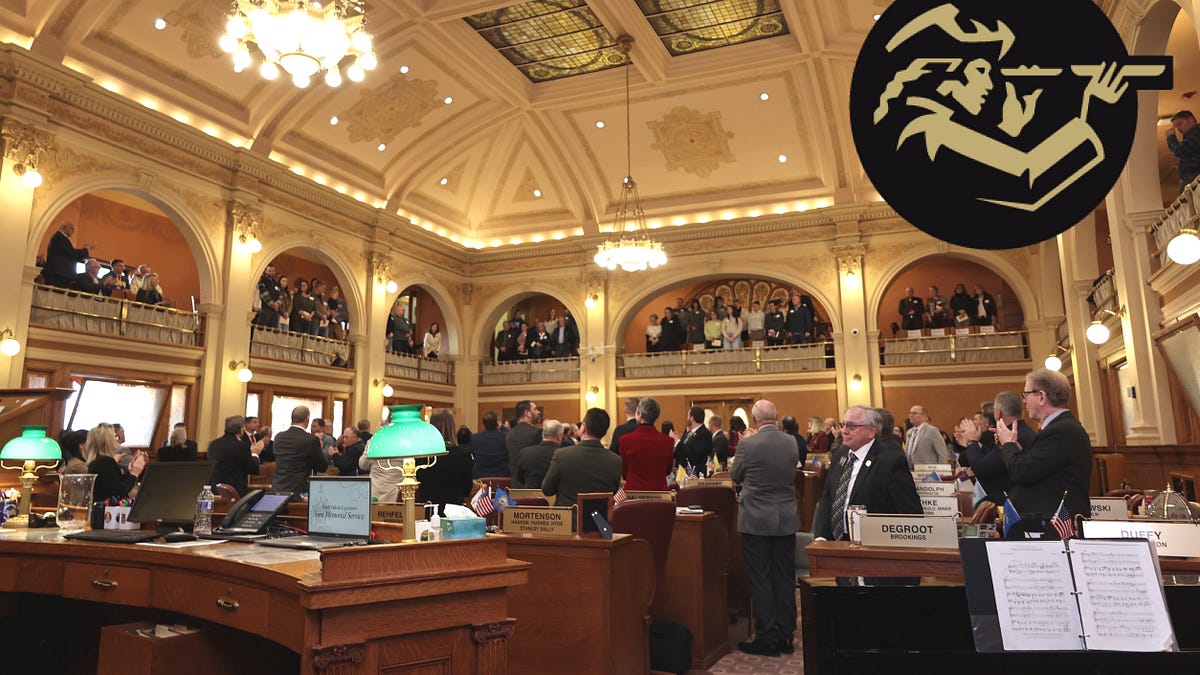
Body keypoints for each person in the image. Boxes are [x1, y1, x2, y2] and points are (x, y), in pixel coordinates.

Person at [731, 400, 799, 657]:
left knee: (761, 578)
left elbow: (736, 475)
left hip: (757, 521)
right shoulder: (791, 442)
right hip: (785, 519)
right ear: (777, 416)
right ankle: (785, 633)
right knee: (784, 577)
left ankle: (766, 635)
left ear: (754, 418)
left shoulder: (748, 444)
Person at [813, 405, 922, 541]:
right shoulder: (839, 455)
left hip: (873, 546)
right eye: (843, 425)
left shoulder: (891, 461)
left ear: (871, 431)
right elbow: (828, 498)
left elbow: (911, 515)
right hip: (834, 544)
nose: (844, 431)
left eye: (851, 426)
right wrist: (820, 537)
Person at [998, 369, 1093, 523]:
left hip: (1051, 527)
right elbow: (1040, 467)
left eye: (1026, 394)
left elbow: (1022, 472)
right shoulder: (1058, 428)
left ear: (1041, 397)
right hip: (1043, 522)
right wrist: (1015, 447)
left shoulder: (1061, 430)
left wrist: (1008, 444)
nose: (1024, 401)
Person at [542, 408, 622, 507]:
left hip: (568, 519)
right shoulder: (616, 461)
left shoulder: (561, 455)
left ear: (583, 427)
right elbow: (615, 492)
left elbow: (547, 490)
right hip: (599, 520)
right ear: (604, 433)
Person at [415, 409, 474, 516]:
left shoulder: (421, 454)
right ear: (452, 427)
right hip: (454, 512)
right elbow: (466, 489)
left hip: (427, 510)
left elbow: (418, 482)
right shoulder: (463, 454)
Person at [270, 406, 328, 500]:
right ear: (307, 419)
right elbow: (322, 467)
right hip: (297, 494)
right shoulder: (311, 440)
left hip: (276, 491)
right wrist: (321, 449)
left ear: (292, 418)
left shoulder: (278, 437)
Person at [619, 397, 675, 492]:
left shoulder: (625, 440)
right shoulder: (668, 441)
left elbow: (624, 472)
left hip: (633, 493)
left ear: (639, 414)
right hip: (660, 493)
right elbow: (668, 471)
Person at [207, 415, 262, 498]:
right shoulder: (241, 446)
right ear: (241, 430)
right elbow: (254, 469)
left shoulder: (213, 444)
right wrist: (255, 453)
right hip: (234, 492)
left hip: (215, 489)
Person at [87, 424, 139, 503]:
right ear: (108, 440)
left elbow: (115, 483)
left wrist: (130, 472)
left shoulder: (97, 461)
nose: (117, 441)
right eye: (115, 437)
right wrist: (135, 474)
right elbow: (121, 491)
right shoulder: (105, 462)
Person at [43, 222, 96, 288]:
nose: (73, 231)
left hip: (58, 275)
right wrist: (88, 248)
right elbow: (72, 254)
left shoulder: (60, 238)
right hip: (58, 275)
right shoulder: (60, 238)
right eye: (71, 228)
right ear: (64, 227)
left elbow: (70, 254)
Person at [516, 420, 563, 490]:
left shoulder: (525, 453)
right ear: (559, 437)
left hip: (530, 498)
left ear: (542, 435)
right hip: (555, 497)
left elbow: (519, 478)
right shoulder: (564, 455)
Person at [673, 406, 713, 476]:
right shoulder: (688, 433)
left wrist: (677, 441)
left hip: (695, 474)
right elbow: (680, 451)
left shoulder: (705, 434)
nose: (687, 418)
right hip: (683, 473)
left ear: (692, 418)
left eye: (688, 415)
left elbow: (694, 454)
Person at [1166, 110, 1200, 191]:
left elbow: (1178, 150)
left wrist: (1170, 136)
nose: (1178, 129)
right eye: (1176, 127)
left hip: (1194, 175)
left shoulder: (1197, 132)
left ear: (1191, 120)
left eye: (1180, 124)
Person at [506, 400, 541, 477]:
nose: (538, 412)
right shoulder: (537, 433)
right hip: (532, 483)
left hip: (514, 483)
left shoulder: (509, 434)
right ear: (527, 413)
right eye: (535, 409)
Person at [471, 410, 510, 478]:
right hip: (503, 478)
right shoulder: (506, 437)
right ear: (498, 422)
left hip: (480, 478)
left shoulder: (474, 438)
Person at [256, 264, 283, 329]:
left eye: (273, 271)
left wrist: (277, 303)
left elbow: (280, 295)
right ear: (265, 271)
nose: (271, 272)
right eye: (269, 271)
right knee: (262, 330)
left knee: (272, 331)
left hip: (275, 311)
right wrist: (273, 304)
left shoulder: (277, 283)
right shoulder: (262, 281)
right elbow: (264, 294)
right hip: (265, 309)